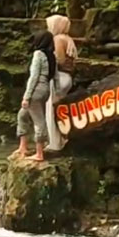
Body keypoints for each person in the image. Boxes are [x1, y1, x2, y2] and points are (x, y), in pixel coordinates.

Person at [13, 30, 56, 162]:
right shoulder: (51, 56)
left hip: (36, 89)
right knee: (22, 115)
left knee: (39, 121)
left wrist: (26, 96)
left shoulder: (38, 54)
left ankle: (39, 153)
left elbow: (34, 77)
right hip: (45, 89)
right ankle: (23, 147)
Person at [45, 14, 78, 151]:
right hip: (67, 77)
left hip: (59, 77)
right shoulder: (68, 39)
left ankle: (54, 143)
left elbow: (59, 60)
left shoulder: (58, 39)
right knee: (59, 109)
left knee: (51, 110)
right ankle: (61, 139)